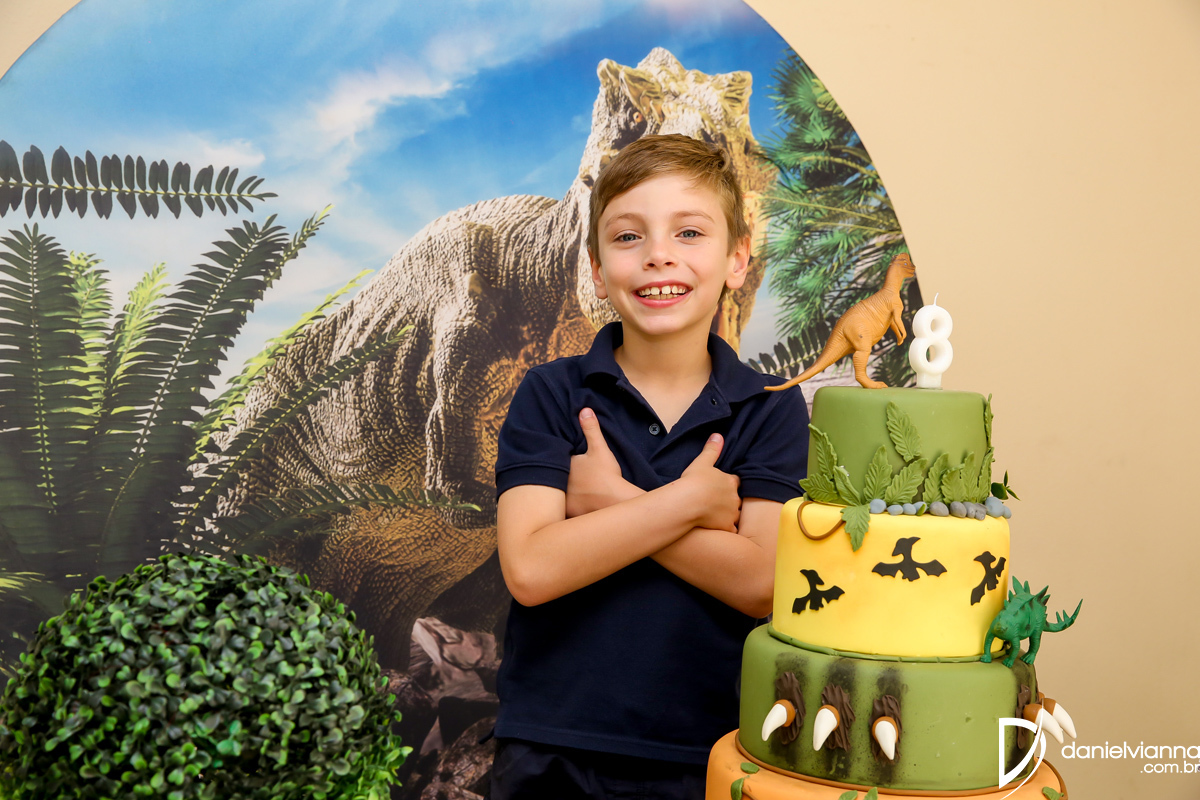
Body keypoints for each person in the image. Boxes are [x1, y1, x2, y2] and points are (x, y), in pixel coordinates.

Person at [490, 134, 809, 799]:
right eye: (628, 237)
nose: (658, 254)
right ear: (597, 269)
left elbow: (759, 582)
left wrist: (611, 499)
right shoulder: (550, 393)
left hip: (708, 750)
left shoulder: (771, 407)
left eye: (688, 232)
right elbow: (532, 570)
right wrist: (687, 504)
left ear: (737, 259)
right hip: (550, 745)